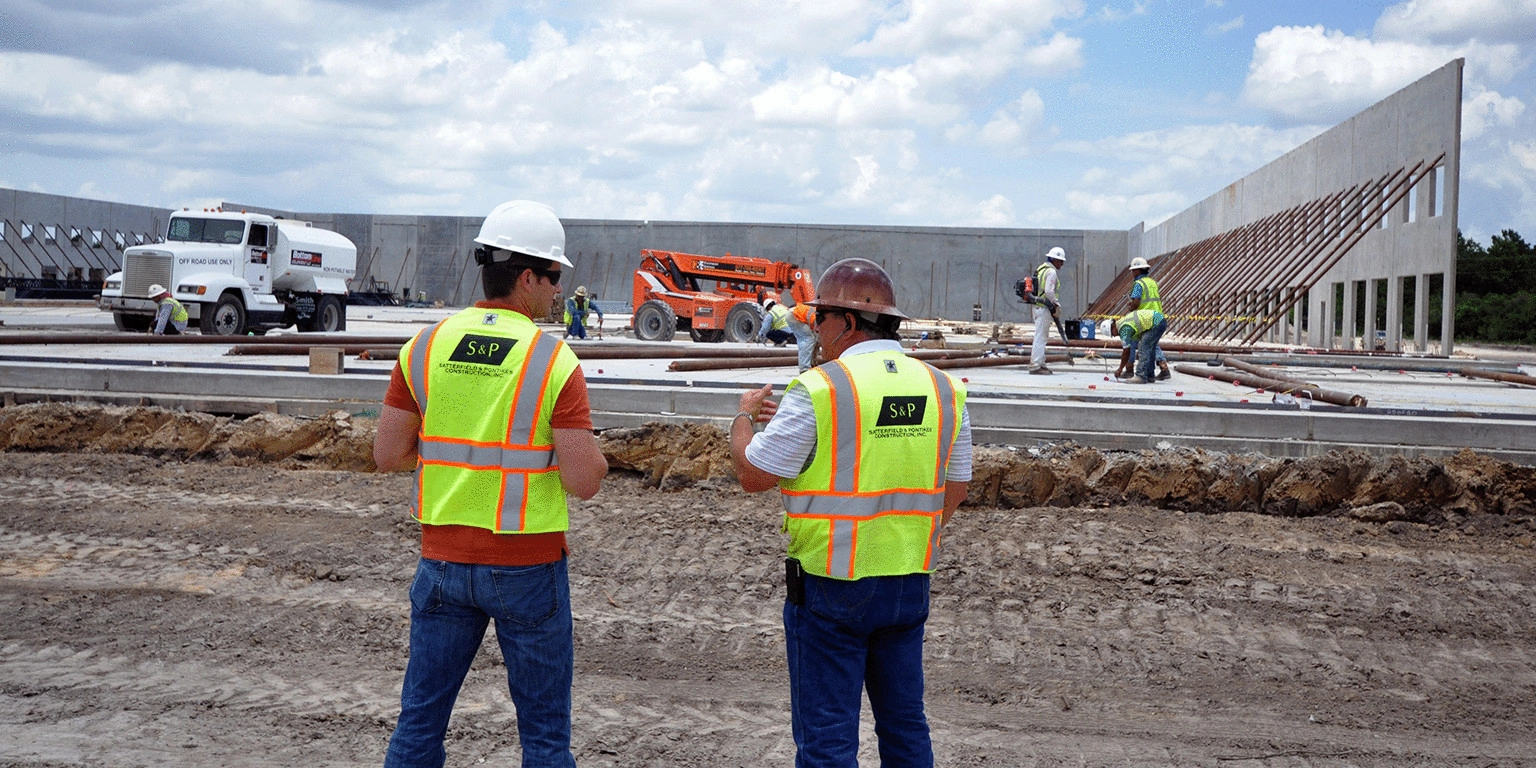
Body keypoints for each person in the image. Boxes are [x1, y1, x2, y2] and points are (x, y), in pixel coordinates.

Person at [373, 199, 608, 768]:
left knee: (419, 725)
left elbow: (387, 454)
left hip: (443, 563)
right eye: (554, 277)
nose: (558, 290)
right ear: (526, 277)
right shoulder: (552, 359)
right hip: (528, 567)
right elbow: (583, 481)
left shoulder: (424, 346)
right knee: (546, 740)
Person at [729, 257, 972, 768]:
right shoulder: (942, 389)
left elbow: (754, 475)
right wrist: (908, 533)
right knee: (905, 726)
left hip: (831, 584)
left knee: (827, 738)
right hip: (908, 581)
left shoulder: (820, 388)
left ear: (847, 322)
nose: (815, 329)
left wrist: (743, 420)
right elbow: (958, 483)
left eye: (820, 318)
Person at [1121, 257, 1171, 381]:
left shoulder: (1138, 284)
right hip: (1158, 316)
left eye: (1133, 271)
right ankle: (1153, 372)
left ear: (1137, 271)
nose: (1132, 273)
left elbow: (1136, 301)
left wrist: (1131, 309)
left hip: (1146, 317)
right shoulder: (1152, 282)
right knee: (1151, 345)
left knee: (1139, 344)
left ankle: (1133, 371)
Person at [1029, 247, 1066, 374]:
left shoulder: (1041, 269)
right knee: (1041, 337)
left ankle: (1041, 362)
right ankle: (1035, 366)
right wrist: (1056, 304)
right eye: (1060, 261)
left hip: (1038, 306)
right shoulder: (1051, 272)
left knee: (1042, 335)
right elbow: (1049, 291)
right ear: (1055, 260)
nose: (1062, 264)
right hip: (1044, 307)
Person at [1115, 307, 1169, 384]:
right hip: (1160, 321)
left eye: (1112, 333)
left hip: (1156, 323)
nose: (1114, 335)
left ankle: (1141, 376)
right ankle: (1150, 375)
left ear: (1113, 327)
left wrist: (1120, 369)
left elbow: (1126, 351)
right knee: (1151, 349)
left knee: (1143, 348)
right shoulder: (1124, 323)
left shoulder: (1124, 328)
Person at [782, 267, 818, 372]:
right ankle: (804, 369)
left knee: (812, 339)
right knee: (808, 339)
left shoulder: (821, 319)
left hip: (797, 314)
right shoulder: (818, 320)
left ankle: (811, 364)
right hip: (794, 316)